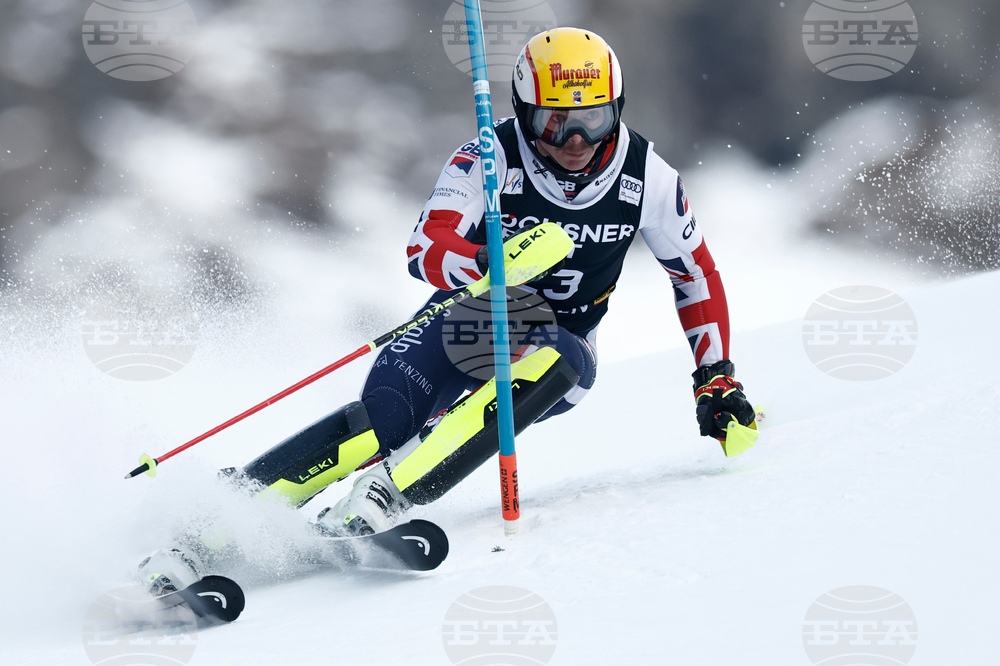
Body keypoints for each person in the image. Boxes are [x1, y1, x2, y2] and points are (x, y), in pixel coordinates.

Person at [139, 27, 756, 593]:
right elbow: (424, 248)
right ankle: (206, 534)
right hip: (474, 320)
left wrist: (715, 378)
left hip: (557, 347)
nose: (573, 142)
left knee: (561, 360)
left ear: (616, 110)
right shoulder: (487, 158)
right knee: (384, 418)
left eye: (592, 122)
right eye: (553, 121)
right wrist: (489, 265)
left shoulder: (648, 177)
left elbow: (694, 274)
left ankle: (381, 498)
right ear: (523, 111)